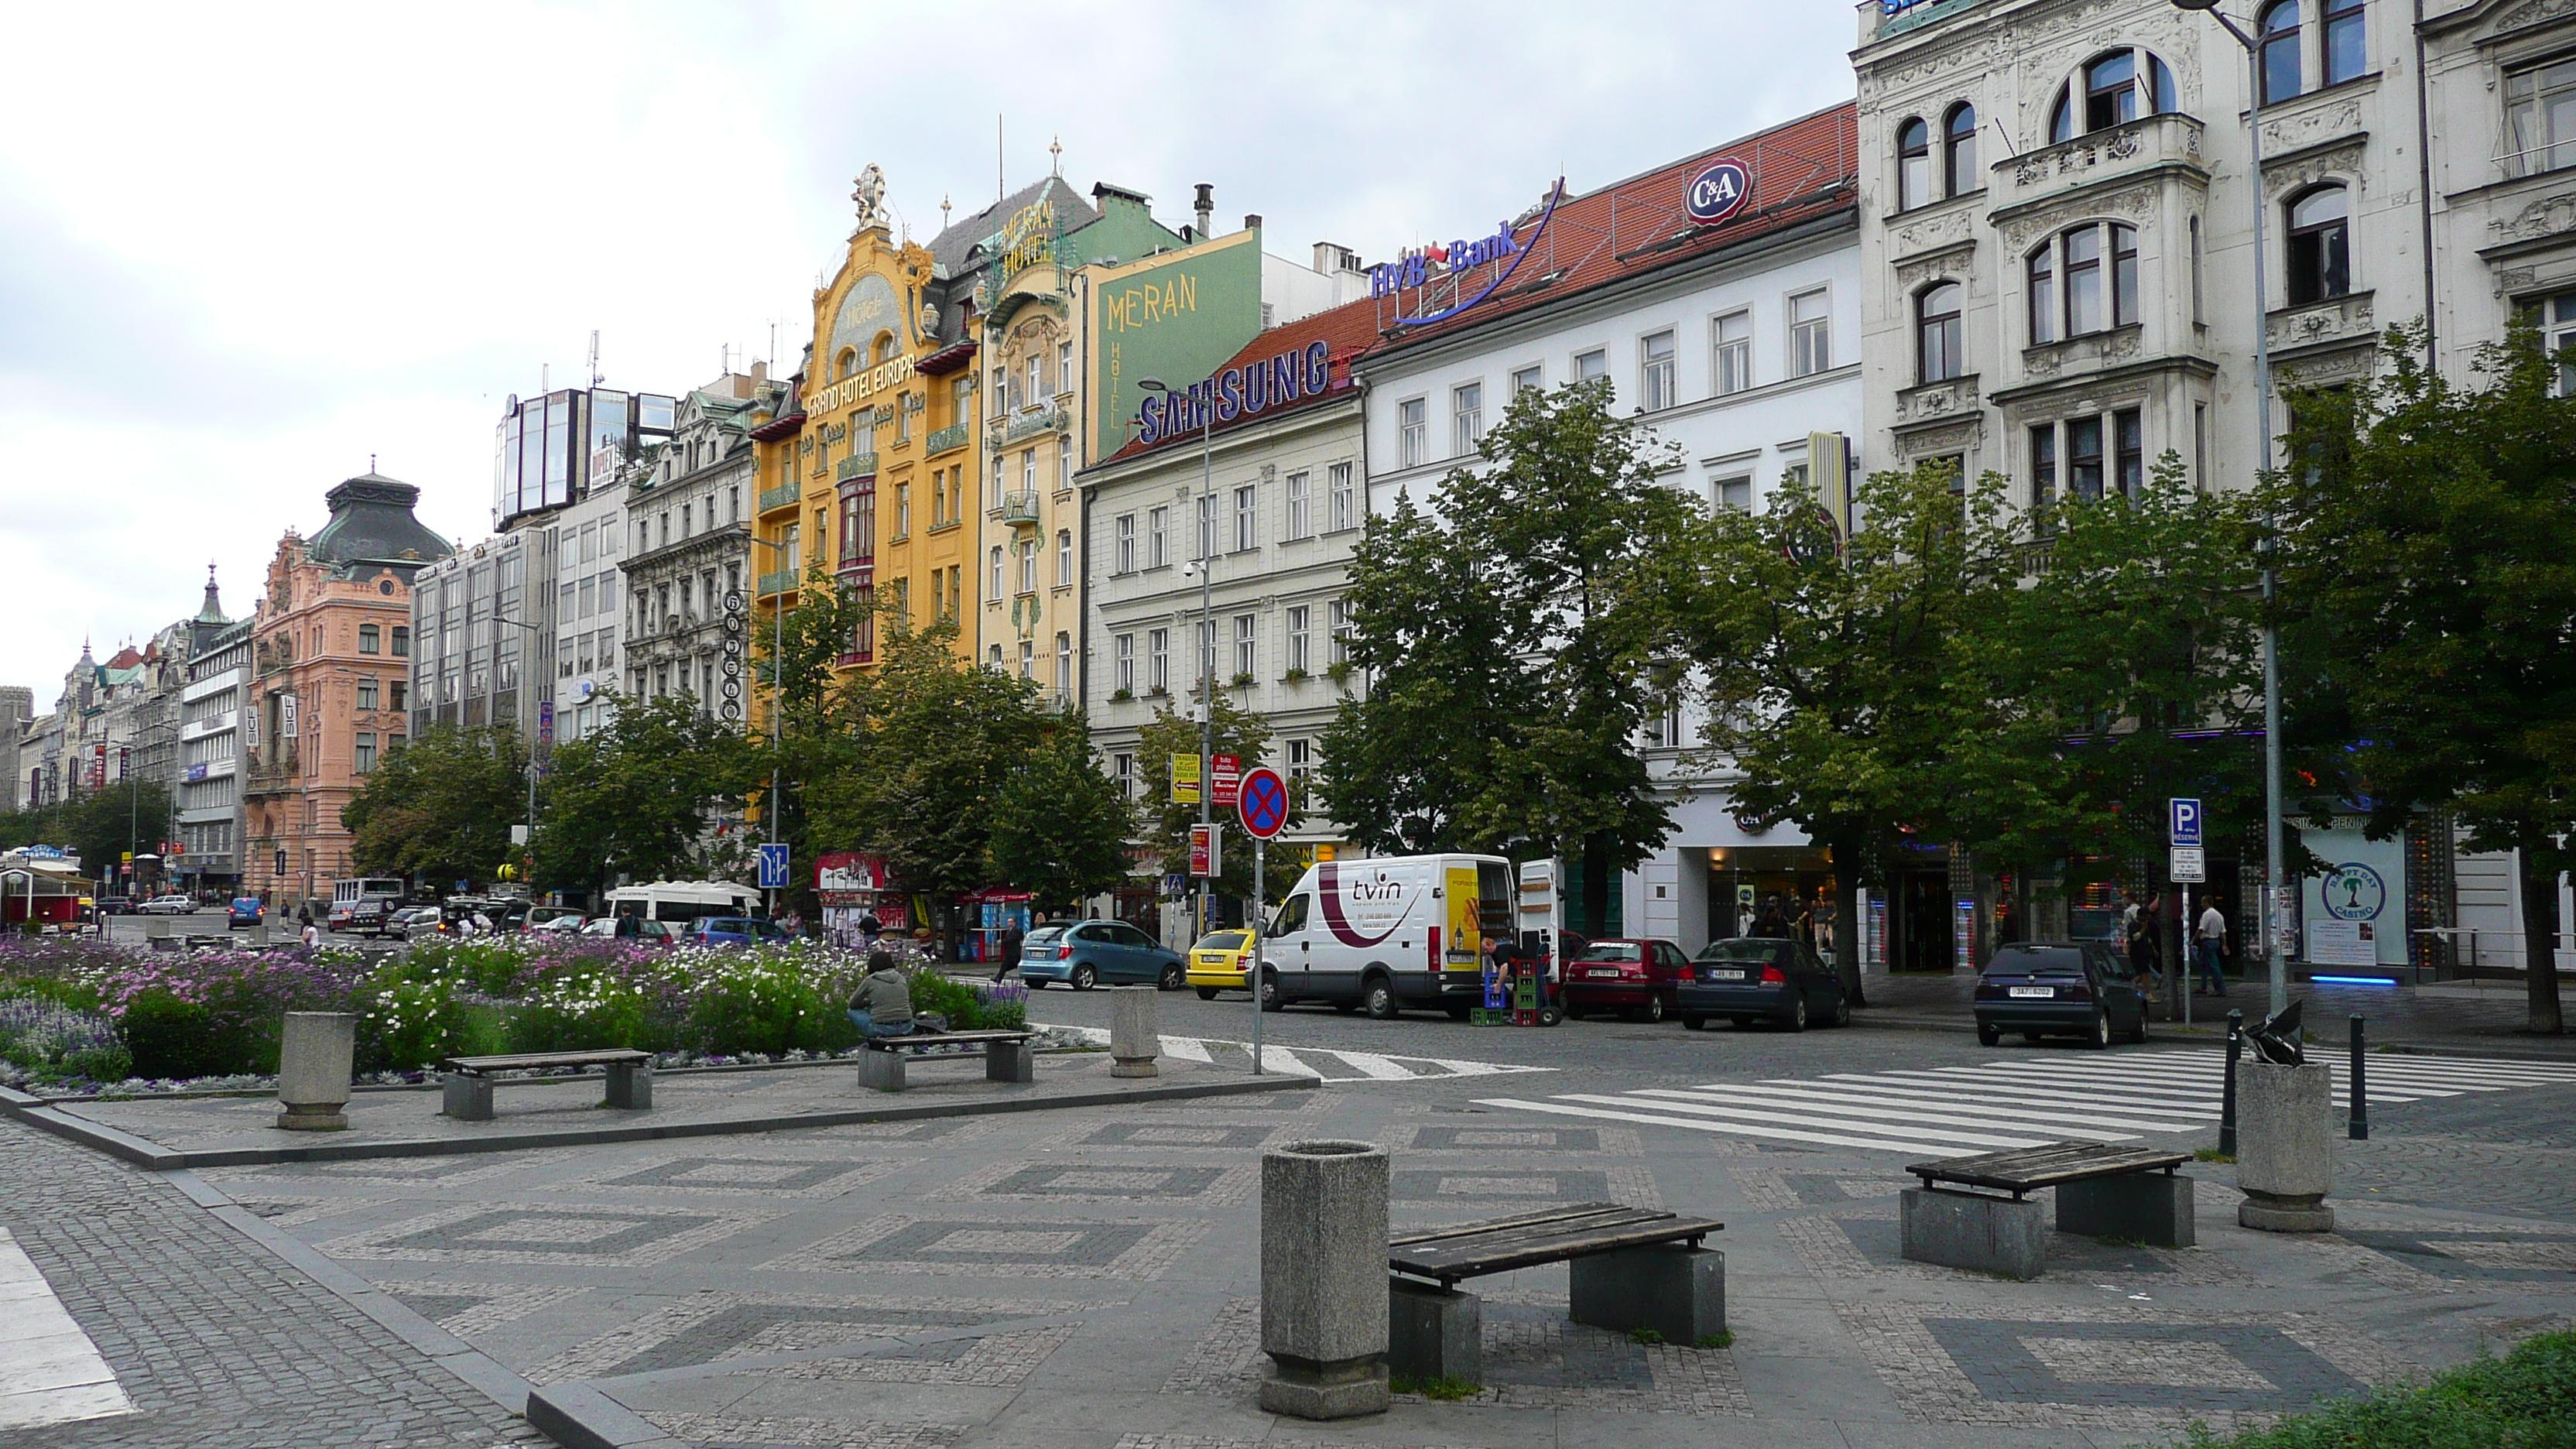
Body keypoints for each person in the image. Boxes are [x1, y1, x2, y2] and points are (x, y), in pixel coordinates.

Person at [847, 948, 916, 1039]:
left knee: (851, 1011)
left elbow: (853, 1004)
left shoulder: (870, 980)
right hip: (906, 1026)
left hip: (881, 1028)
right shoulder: (901, 978)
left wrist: (868, 1002)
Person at [2127, 890, 2164, 1005]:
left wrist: (2153, 949)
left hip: (2145, 952)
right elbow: (2135, 937)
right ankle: (2148, 994)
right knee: (2145, 974)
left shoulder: (2146, 926)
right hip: (2137, 953)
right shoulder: (2133, 925)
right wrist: (2142, 929)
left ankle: (2129, 989)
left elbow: (2148, 939)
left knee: (2140, 975)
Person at [2194, 896, 2231, 997]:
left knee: (2213, 966)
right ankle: (2203, 986)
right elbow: (2222, 932)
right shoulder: (2219, 915)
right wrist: (2224, 944)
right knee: (2203, 963)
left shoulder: (2207, 915)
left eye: (2203, 902)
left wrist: (2193, 940)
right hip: (2216, 941)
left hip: (2208, 941)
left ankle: (2220, 989)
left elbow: (2201, 929)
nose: (2201, 905)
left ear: (2207, 903)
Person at [996, 916, 1027, 983]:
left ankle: (1028, 979)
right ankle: (998, 978)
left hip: (1014, 952)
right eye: (1008, 922)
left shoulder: (1016, 930)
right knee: (1004, 965)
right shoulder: (1009, 930)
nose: (1009, 923)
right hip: (1009, 951)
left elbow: (1012, 939)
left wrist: (1002, 942)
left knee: (1015, 965)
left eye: (1011, 922)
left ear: (1014, 923)